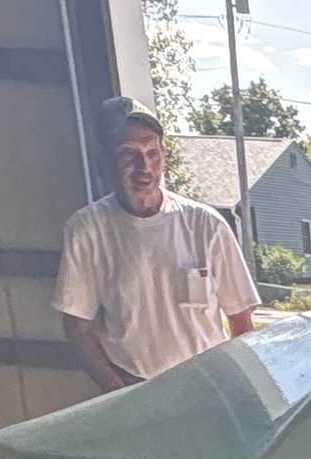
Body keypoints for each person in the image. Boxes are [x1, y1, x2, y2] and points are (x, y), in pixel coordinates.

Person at [55, 97, 260, 390]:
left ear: (164, 153)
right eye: (129, 154)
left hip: (207, 385)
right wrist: (117, 390)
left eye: (152, 153)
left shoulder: (206, 224)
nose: (144, 167)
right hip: (133, 386)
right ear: (104, 160)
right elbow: (77, 327)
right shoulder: (86, 229)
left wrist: (236, 388)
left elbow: (241, 321)